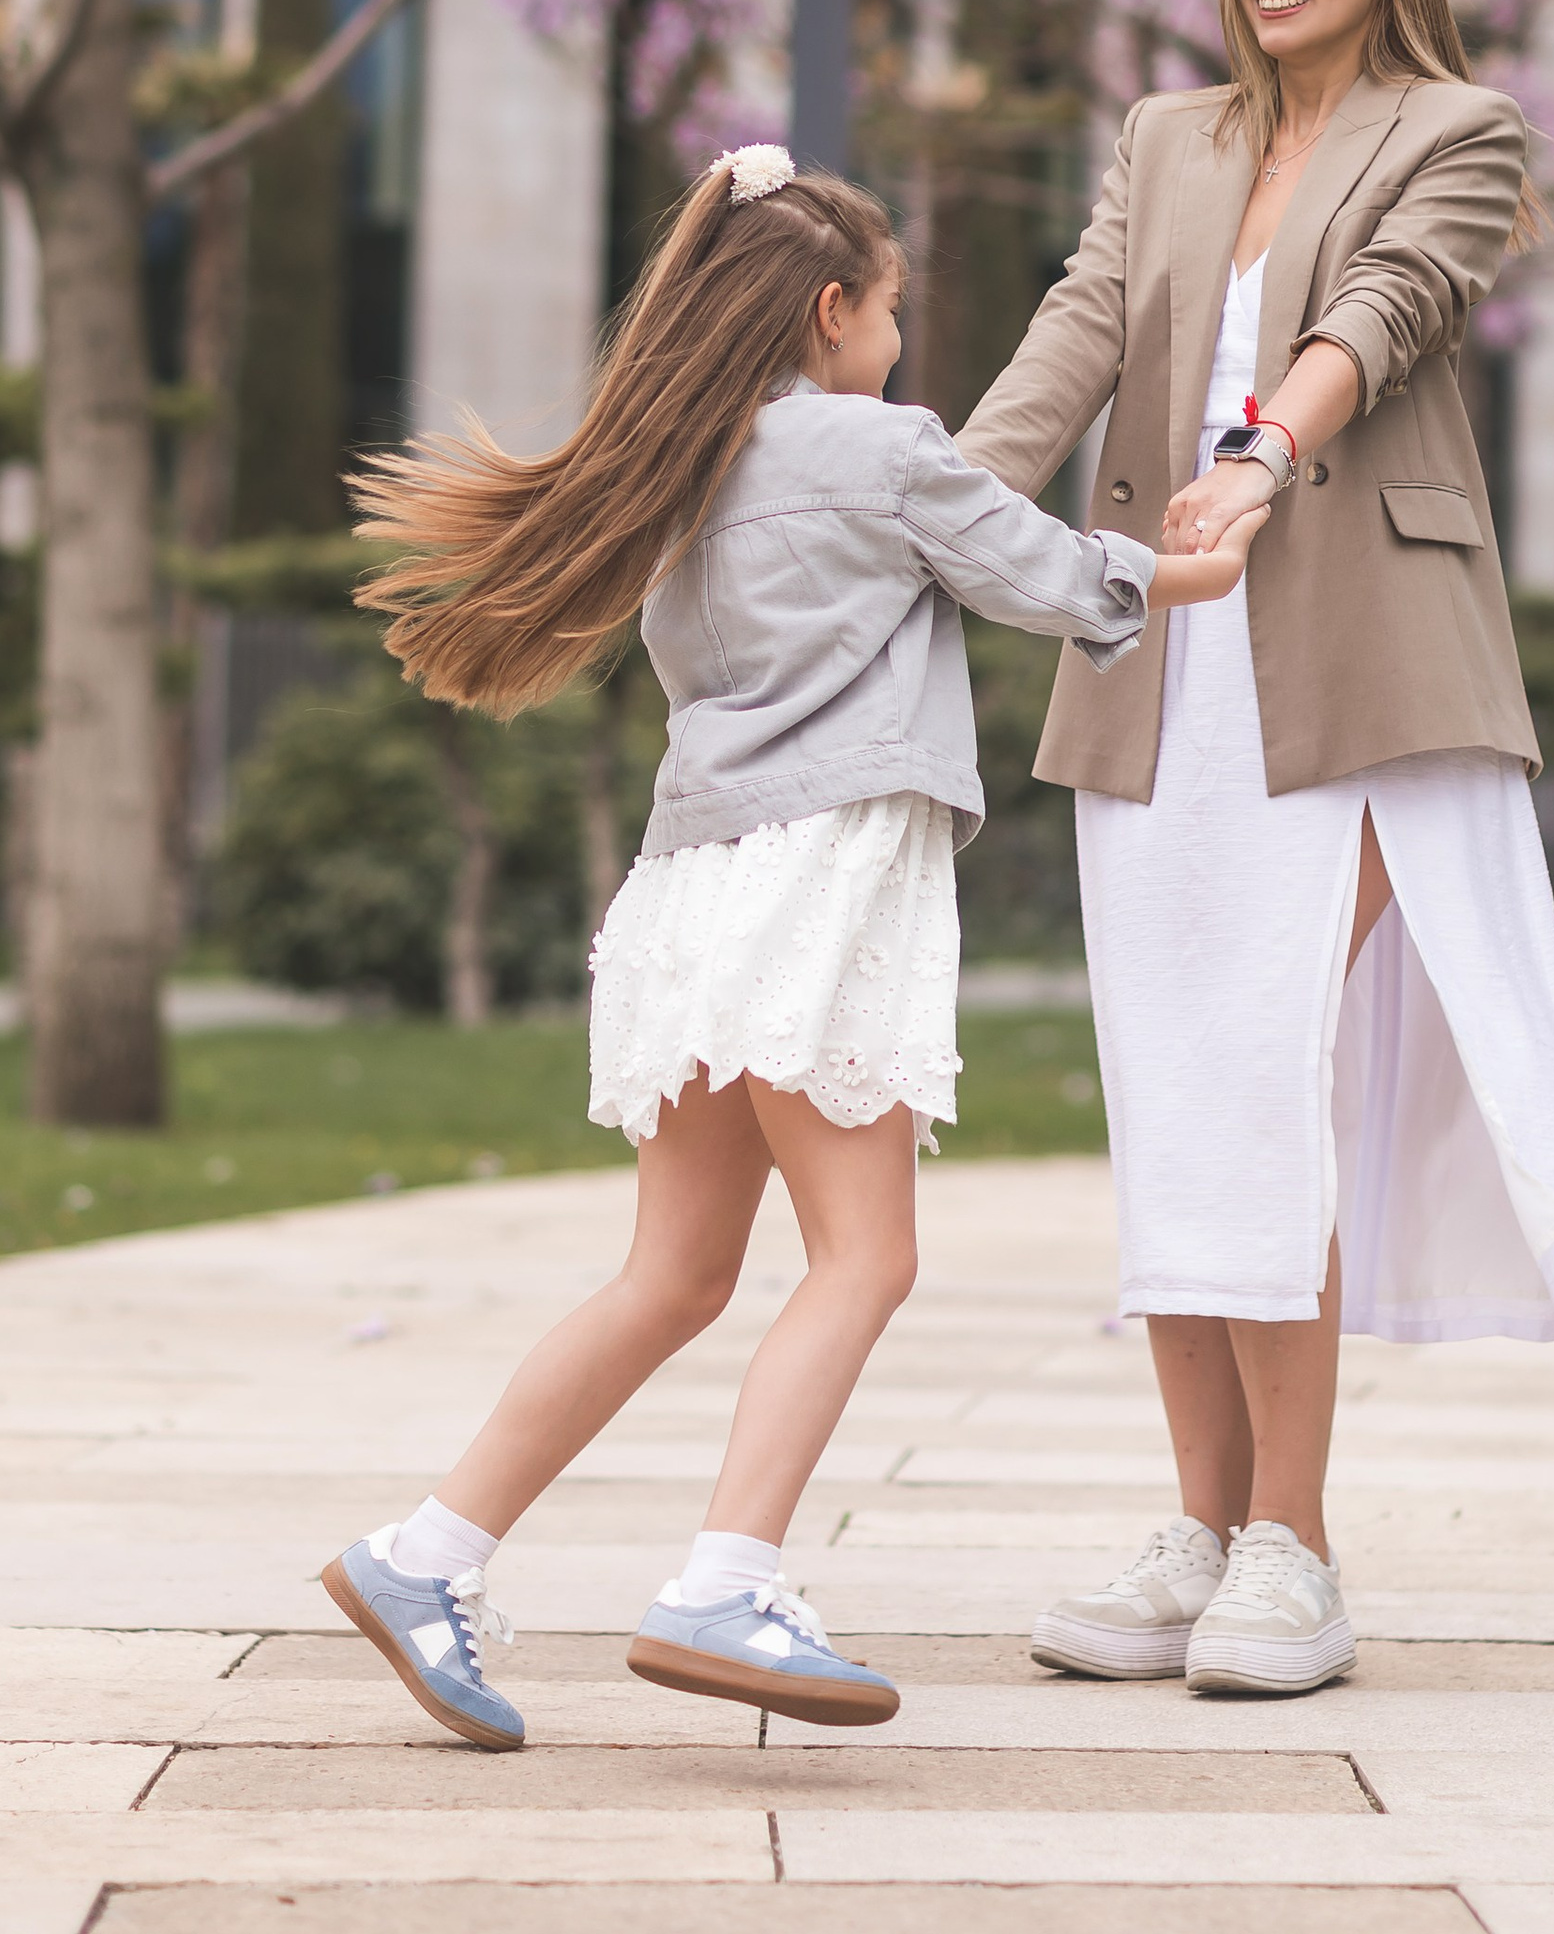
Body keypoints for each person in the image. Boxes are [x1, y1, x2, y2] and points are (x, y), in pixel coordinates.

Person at [319, 143, 1265, 1753]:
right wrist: (1211, 557)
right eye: (893, 310)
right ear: (833, 311)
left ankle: (427, 1553)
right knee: (867, 1256)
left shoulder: (679, 467)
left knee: (672, 1272)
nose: (903, 341)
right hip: (822, 884)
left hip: (695, 889)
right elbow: (1039, 571)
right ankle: (727, 1577)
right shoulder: (879, 448)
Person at [956, 0, 1554, 1701]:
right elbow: (1077, 334)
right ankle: (1199, 1528)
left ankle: (1293, 1547)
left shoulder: (1458, 129)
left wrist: (1256, 456)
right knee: (1176, 1080)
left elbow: (1382, 312)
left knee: (1260, 1063)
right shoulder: (1169, 138)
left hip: (1362, 675)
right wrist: (931, 509)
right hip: (1166, 664)